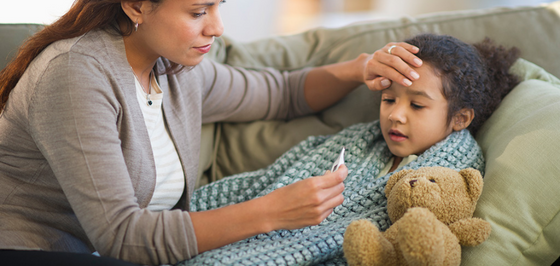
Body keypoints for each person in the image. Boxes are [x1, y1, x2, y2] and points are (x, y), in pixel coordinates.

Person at [0, 0, 423, 265]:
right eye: (199, 12)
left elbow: (282, 93)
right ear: (136, 6)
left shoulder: (175, 69)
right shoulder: (76, 74)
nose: (217, 27)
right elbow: (121, 237)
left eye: (219, 7)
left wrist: (358, 68)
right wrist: (270, 212)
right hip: (29, 251)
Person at [176, 33, 521, 265]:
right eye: (388, 99)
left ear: (460, 118)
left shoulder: (451, 171)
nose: (395, 115)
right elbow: (273, 180)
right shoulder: (359, 140)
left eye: (417, 106)